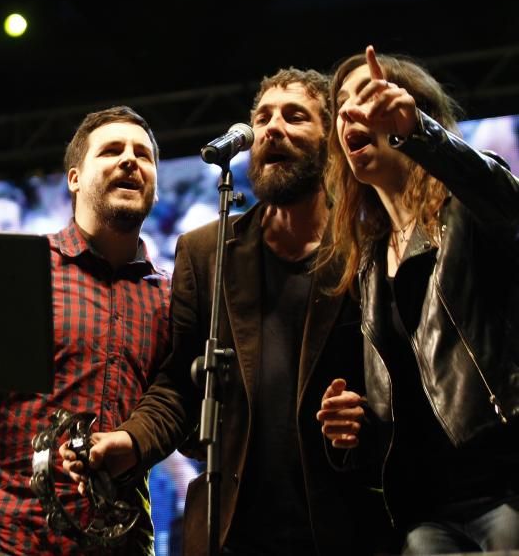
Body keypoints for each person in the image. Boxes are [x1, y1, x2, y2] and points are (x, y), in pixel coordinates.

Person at [65, 70, 392, 555]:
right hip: (231, 531)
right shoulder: (207, 251)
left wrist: (367, 419)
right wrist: (132, 443)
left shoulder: (369, 246)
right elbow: (178, 382)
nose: (272, 129)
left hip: (345, 527)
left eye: (294, 116)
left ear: (330, 138)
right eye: (262, 118)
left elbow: (404, 377)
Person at [0, 106, 172, 555]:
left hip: (118, 541)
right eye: (111, 150)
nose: (130, 160)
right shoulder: (21, 268)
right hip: (7, 532)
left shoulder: (169, 297)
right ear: (74, 178)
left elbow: (177, 421)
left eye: (143, 155)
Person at [316, 46, 519, 553]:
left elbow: (508, 203)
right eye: (341, 104)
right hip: (424, 514)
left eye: (366, 95)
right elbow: (406, 391)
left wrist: (421, 132)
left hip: (504, 489)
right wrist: (350, 428)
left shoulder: (466, 206)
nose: (350, 113)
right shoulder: (367, 262)